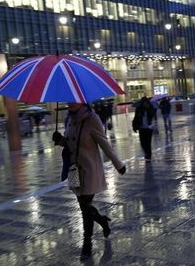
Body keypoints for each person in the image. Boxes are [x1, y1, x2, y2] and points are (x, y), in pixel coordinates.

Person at [52, 103, 126, 261]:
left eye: (74, 99)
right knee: (84, 206)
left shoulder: (92, 119)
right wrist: (60, 140)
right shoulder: (69, 119)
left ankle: (87, 244)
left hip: (89, 170)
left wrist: (118, 164)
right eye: (68, 99)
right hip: (73, 170)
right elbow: (71, 144)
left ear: (81, 100)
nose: (70, 102)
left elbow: (105, 144)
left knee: (85, 208)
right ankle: (103, 221)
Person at [132, 97, 156, 161]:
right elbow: (136, 118)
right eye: (144, 102)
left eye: (146, 102)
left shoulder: (150, 108)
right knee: (142, 143)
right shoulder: (139, 109)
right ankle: (146, 153)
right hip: (141, 128)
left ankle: (148, 155)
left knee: (148, 143)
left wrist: (149, 108)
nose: (145, 103)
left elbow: (153, 115)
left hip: (149, 128)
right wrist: (134, 127)